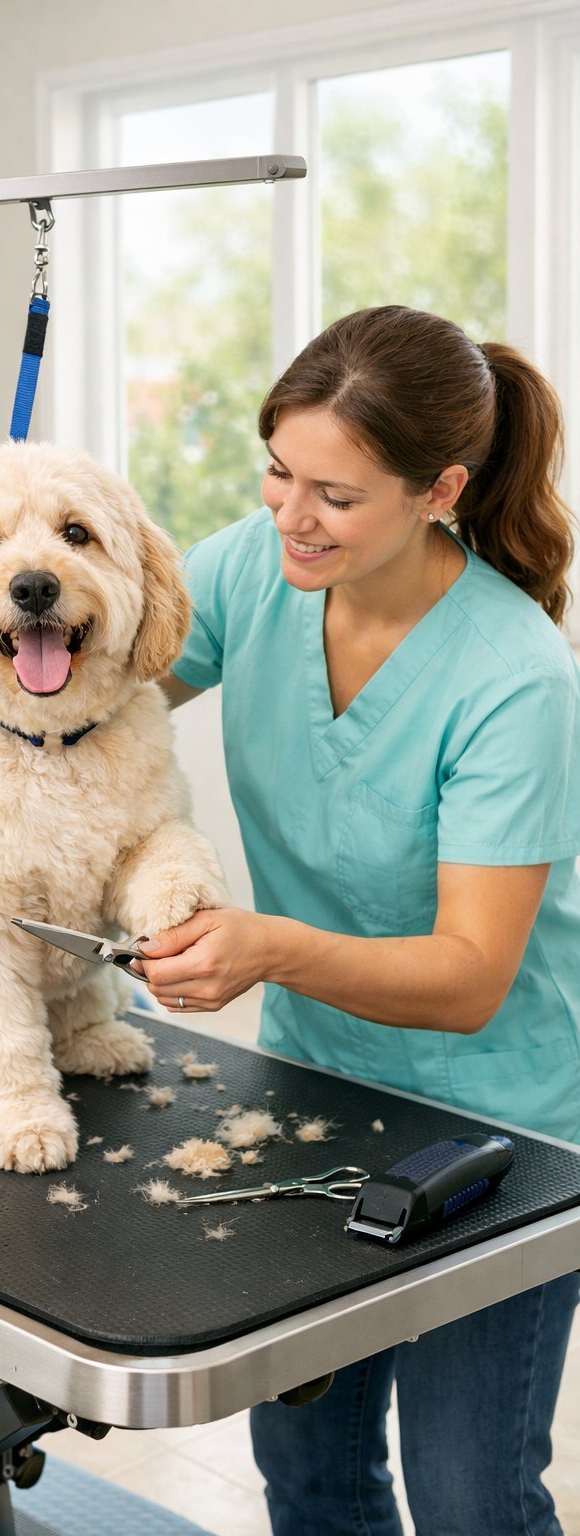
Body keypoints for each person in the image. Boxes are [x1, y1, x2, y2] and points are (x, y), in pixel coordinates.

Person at [135, 305, 580, 1536]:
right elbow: (99, 721)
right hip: (315, 1092)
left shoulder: (514, 678)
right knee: (312, 1473)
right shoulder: (249, 570)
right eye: (276, 471)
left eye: (334, 494)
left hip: (504, 1131)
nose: (290, 515)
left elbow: (470, 975)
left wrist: (263, 947)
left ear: (439, 489)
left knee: (470, 1500)